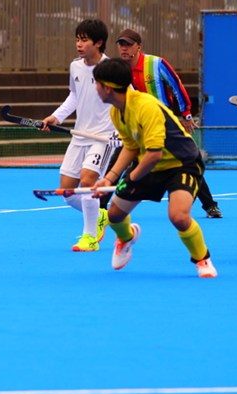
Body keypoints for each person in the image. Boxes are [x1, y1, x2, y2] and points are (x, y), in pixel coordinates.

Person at [90, 58, 217, 278]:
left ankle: (202, 259)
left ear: (107, 88)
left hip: (181, 164)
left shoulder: (145, 106)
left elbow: (154, 153)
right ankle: (127, 238)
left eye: (96, 83)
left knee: (178, 216)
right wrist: (110, 178)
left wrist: (130, 178)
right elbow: (131, 146)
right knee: (114, 215)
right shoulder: (117, 112)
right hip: (150, 165)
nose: (95, 88)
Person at [116, 28, 222, 218]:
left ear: (138, 47)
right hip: (140, 126)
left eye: (128, 45)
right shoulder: (119, 70)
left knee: (184, 162)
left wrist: (186, 114)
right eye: (121, 45)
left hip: (165, 125)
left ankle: (210, 205)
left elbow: (176, 86)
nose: (124, 48)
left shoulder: (156, 64)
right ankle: (106, 206)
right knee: (128, 159)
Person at [39, 19, 116, 252]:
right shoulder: (75, 66)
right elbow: (74, 95)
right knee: (68, 192)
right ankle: (101, 215)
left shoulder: (111, 69)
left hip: (103, 138)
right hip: (79, 136)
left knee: (88, 181)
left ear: (98, 43)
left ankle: (89, 238)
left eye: (84, 40)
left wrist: (124, 132)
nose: (79, 44)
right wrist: (56, 117)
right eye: (77, 40)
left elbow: (128, 99)